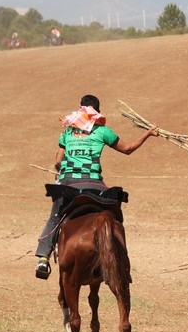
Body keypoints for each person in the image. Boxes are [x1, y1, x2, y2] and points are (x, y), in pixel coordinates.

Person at [34, 94, 158, 279]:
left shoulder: (67, 132)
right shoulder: (103, 131)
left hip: (69, 183)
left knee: (55, 218)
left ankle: (43, 258)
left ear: (80, 109)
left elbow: (58, 160)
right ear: (97, 112)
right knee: (116, 216)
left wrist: (60, 170)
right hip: (95, 185)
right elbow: (128, 149)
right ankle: (121, 261)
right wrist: (147, 133)